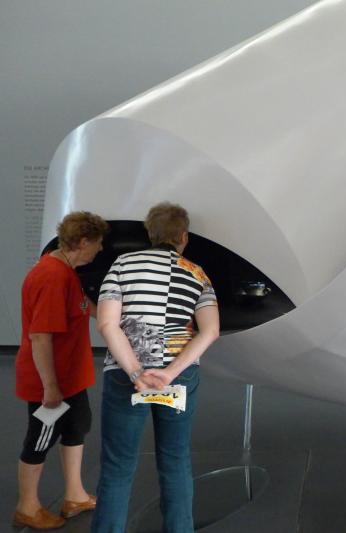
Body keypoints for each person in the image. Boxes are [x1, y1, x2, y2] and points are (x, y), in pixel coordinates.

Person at [92, 202, 219, 533]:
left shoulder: (122, 264)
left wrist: (136, 372)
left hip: (125, 375)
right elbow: (210, 331)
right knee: (175, 460)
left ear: (150, 233)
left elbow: (107, 324)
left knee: (118, 465)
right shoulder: (197, 273)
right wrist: (169, 374)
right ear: (183, 236)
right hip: (178, 375)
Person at [14, 211, 108, 530]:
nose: (100, 249)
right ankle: (27, 507)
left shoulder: (66, 271)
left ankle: (75, 495)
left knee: (77, 426)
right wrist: (50, 387)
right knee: (40, 438)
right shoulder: (52, 277)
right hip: (50, 379)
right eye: (97, 243)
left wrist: (115, 318)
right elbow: (40, 336)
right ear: (83, 242)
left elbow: (83, 306)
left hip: (71, 375)